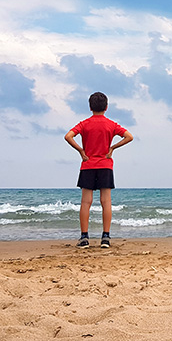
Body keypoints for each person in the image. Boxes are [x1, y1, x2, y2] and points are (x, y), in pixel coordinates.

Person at [64, 92, 134, 248]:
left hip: (88, 165)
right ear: (106, 107)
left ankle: (84, 238)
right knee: (106, 201)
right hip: (105, 165)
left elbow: (68, 136)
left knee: (85, 202)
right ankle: (105, 238)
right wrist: (113, 148)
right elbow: (129, 136)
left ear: (90, 107)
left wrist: (81, 151)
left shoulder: (84, 124)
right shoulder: (111, 124)